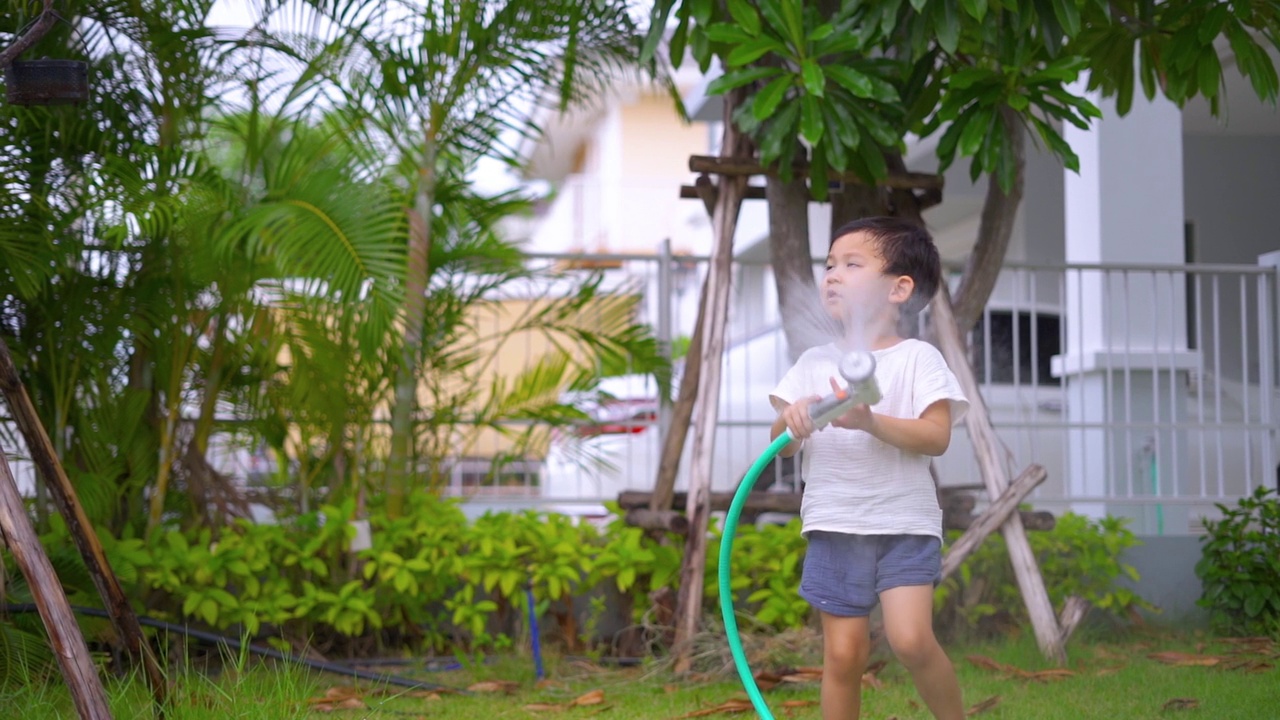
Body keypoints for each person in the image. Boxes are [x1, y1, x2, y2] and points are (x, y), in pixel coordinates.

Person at [769, 216, 969, 720]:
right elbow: (781, 448)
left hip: (903, 524)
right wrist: (790, 422)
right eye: (830, 264)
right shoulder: (814, 361)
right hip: (835, 523)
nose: (832, 275)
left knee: (910, 641)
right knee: (843, 654)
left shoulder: (918, 359)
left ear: (900, 287)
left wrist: (871, 422)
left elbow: (937, 436)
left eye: (851, 264)